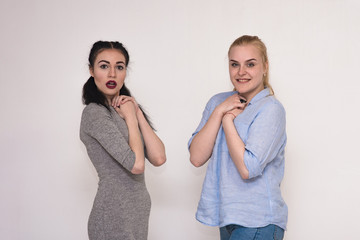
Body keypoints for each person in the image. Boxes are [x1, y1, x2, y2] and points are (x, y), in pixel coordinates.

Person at [188, 35, 287, 240]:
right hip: (226, 218)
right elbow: (196, 157)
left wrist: (227, 121)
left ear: (265, 66)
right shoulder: (218, 101)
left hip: (258, 221)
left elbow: (247, 168)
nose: (241, 72)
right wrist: (220, 111)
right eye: (235, 64)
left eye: (250, 64)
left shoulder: (271, 109)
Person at [80, 41, 166, 240]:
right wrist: (129, 118)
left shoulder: (126, 109)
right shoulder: (94, 113)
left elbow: (159, 157)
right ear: (91, 70)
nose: (112, 74)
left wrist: (136, 113)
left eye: (119, 67)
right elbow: (136, 165)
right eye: (104, 66)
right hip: (112, 215)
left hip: (137, 214)